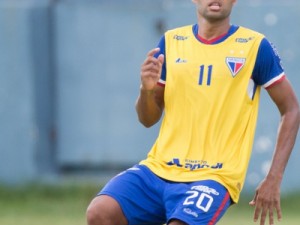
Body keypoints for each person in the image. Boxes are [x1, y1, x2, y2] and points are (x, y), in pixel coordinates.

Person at [86, 0, 300, 224]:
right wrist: (146, 91)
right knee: (100, 212)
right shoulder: (170, 42)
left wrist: (274, 178)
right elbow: (147, 119)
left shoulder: (255, 46)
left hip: (214, 176)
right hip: (159, 168)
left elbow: (291, 109)